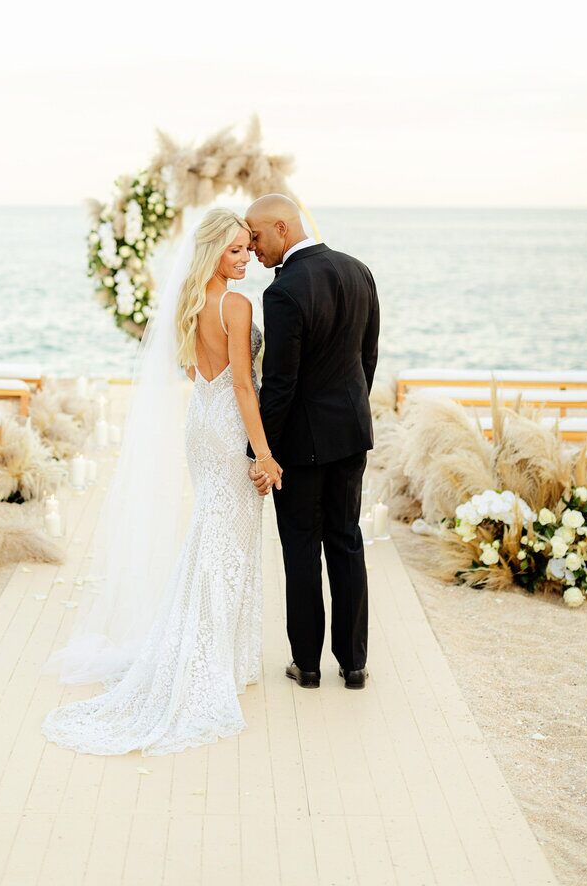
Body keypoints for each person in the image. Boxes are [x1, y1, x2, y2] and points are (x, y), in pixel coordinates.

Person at [40, 208, 278, 756]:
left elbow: (195, 371)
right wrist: (263, 454)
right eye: (235, 250)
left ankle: (215, 651)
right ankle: (210, 658)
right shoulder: (236, 305)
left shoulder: (190, 303)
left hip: (200, 422)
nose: (245, 259)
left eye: (248, 249)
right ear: (215, 251)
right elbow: (244, 387)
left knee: (213, 534)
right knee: (228, 540)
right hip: (228, 425)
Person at [245, 194, 379, 690]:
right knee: (346, 543)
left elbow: (281, 383)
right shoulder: (358, 270)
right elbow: (368, 359)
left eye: (257, 237)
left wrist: (262, 450)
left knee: (301, 550)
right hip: (350, 437)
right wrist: (348, 414)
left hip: (300, 447)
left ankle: (307, 666)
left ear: (282, 228)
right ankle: (355, 663)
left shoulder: (283, 292)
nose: (253, 248)